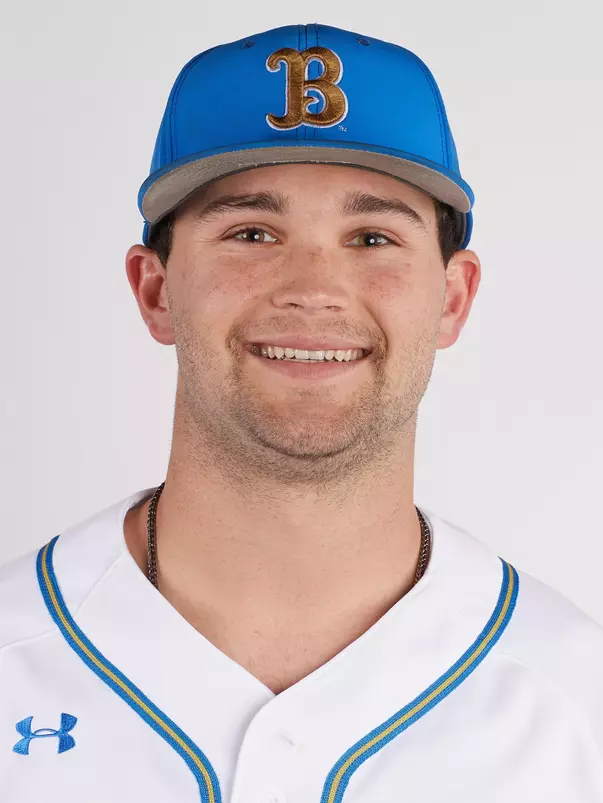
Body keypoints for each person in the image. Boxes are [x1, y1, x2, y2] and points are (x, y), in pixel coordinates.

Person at [1, 22, 602, 803]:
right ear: (155, 290)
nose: (313, 286)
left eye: (372, 236)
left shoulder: (577, 706)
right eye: (252, 231)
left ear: (451, 299)